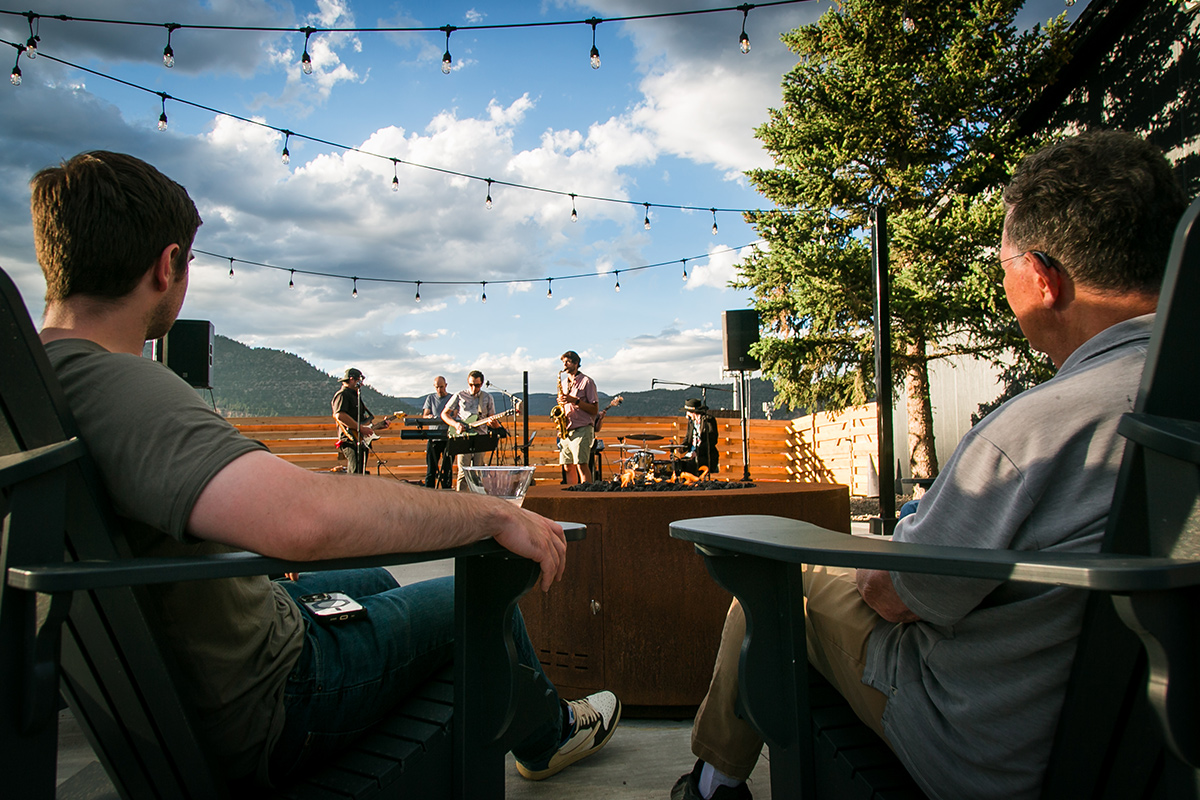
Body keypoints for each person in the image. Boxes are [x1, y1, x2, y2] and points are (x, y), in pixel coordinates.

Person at [30, 151, 621, 789]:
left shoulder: (39, 385)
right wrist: (490, 511)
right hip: (280, 691)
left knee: (369, 573)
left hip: (165, 680)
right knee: (477, 600)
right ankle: (550, 734)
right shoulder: (117, 385)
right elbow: (303, 520)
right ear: (167, 264)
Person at [671, 130, 1188, 800]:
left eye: (1003, 266)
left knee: (774, 589)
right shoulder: (1177, 411)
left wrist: (905, 538)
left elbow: (894, 595)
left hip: (992, 749)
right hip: (1157, 751)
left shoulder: (1039, 429)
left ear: (1042, 279)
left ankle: (711, 786)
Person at [441, 370, 501, 491]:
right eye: (471, 384)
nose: (474, 388)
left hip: (480, 436)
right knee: (463, 472)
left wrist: (493, 423)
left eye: (477, 385)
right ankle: (460, 501)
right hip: (464, 436)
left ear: (482, 384)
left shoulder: (487, 397)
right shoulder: (460, 395)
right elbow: (444, 414)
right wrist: (456, 424)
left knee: (477, 472)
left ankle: (476, 501)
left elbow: (492, 419)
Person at [555, 350, 599, 483]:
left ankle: (586, 496)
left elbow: (594, 409)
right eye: (563, 362)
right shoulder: (563, 383)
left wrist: (575, 401)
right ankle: (572, 495)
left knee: (581, 465)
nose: (565, 365)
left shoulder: (587, 381)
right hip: (567, 430)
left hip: (582, 428)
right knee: (568, 466)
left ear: (576, 363)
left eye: (568, 362)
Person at [331, 367, 383, 474]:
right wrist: (360, 428)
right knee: (355, 471)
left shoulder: (355, 395)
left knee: (360, 471)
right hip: (350, 439)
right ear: (351, 379)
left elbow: (362, 420)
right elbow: (340, 415)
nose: (362, 384)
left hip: (359, 438)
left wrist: (380, 425)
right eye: (359, 381)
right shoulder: (342, 394)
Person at [422, 375, 453, 488]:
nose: (439, 390)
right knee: (431, 469)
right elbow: (424, 415)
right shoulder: (431, 398)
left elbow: (455, 414)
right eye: (437, 387)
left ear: (446, 386)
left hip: (447, 437)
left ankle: (446, 491)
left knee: (447, 469)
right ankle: (428, 493)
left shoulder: (451, 398)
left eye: (441, 387)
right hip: (433, 437)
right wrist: (429, 417)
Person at [675, 398, 719, 477]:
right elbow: (688, 439)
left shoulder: (708, 420)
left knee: (690, 466)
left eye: (687, 412)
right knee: (677, 465)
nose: (686, 415)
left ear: (693, 412)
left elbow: (712, 441)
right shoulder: (691, 422)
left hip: (704, 456)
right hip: (691, 454)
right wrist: (678, 448)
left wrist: (698, 452)